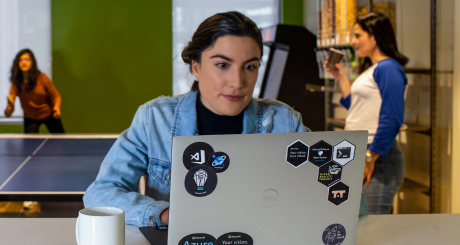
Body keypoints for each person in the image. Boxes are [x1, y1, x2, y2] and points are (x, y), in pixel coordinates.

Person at [84, 11, 368, 227]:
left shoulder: (283, 122)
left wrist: (343, 175)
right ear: (196, 67)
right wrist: (165, 213)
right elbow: (101, 193)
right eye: (222, 65)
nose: (238, 82)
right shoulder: (154, 119)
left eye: (250, 67)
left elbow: (352, 202)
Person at [325, 13, 408, 214]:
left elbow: (392, 118)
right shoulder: (374, 68)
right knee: (361, 223)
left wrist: (370, 158)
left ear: (374, 36)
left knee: (373, 226)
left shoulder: (388, 69)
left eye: (358, 35)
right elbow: (356, 106)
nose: (353, 41)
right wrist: (341, 76)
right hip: (365, 153)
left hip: (378, 158)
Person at [4, 48, 65, 133]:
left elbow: (56, 95)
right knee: (30, 144)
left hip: (49, 114)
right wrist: (8, 110)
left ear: (32, 62)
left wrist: (56, 108)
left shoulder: (42, 78)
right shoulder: (16, 83)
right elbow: (10, 106)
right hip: (31, 118)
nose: (24, 62)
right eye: (21, 60)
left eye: (26, 59)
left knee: (61, 141)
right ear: (17, 63)